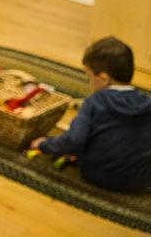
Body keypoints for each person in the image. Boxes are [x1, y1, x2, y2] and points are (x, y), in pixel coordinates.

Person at [30, 37, 151, 193]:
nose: (89, 83)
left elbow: (75, 140)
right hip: (140, 180)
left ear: (103, 79)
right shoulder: (146, 103)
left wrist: (44, 144)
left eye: (89, 77)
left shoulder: (95, 102)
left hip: (98, 174)